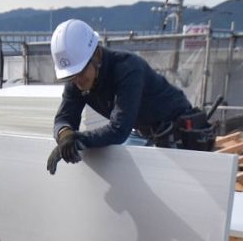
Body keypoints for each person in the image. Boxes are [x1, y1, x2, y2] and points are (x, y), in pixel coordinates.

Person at [47, 18, 215, 174]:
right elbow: (64, 118)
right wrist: (65, 135)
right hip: (141, 129)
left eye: (80, 72)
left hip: (175, 128)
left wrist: (77, 140)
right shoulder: (77, 78)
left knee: (177, 189)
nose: (77, 81)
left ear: (96, 55)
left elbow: (119, 129)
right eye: (70, 76)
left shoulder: (127, 68)